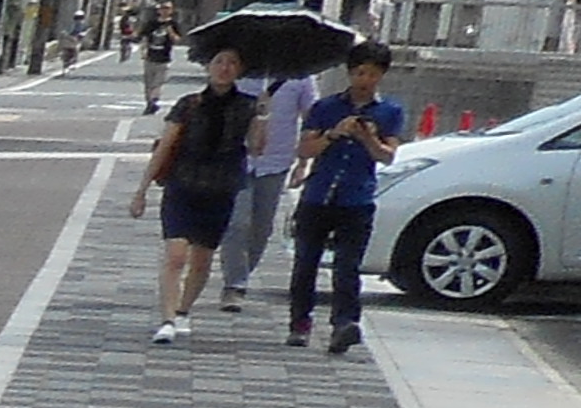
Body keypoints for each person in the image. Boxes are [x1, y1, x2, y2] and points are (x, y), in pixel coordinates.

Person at [129, 40, 256, 344]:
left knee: (202, 259)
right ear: (208, 67)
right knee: (175, 255)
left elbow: (257, 147)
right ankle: (167, 319)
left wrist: (263, 116)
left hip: (221, 189)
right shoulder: (189, 104)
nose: (224, 68)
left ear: (240, 70)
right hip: (182, 185)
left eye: (232, 63)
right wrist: (142, 189)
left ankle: (184, 310)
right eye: (219, 61)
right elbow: (165, 146)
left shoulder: (248, 106)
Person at [290, 41, 406, 353]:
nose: (365, 80)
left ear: (382, 75)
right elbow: (304, 149)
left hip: (357, 199)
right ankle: (300, 322)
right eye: (360, 73)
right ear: (350, 72)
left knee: (348, 266)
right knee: (306, 263)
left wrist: (369, 138)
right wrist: (333, 134)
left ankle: (344, 324)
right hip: (318, 195)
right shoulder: (326, 107)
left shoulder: (390, 111)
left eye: (373, 74)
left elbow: (387, 156)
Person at [219, 52, 314, 307]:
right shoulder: (240, 72)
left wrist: (303, 162)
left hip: (276, 161)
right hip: (236, 158)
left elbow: (310, 118)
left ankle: (242, 273)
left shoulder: (300, 76)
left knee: (262, 227)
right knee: (237, 223)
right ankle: (234, 284)